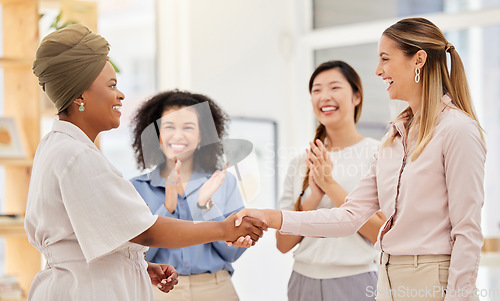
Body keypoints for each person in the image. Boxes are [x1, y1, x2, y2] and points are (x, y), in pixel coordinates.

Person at [235, 17, 486, 301]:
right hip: (388, 277)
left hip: (431, 277)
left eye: (385, 59)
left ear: (418, 60)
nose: (378, 71)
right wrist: (271, 217)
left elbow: (467, 232)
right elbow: (349, 216)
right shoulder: (392, 139)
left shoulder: (457, 130)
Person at [25, 24, 265, 301]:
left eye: (189, 127)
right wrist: (223, 227)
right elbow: (146, 232)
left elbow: (87, 241)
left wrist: (139, 265)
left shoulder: (62, 147)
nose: (121, 95)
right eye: (112, 85)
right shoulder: (76, 155)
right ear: (80, 96)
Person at [276, 60, 386, 300]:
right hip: (302, 281)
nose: (324, 96)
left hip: (357, 281)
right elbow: (283, 244)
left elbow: (383, 235)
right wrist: (313, 197)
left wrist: (330, 186)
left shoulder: (379, 154)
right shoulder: (300, 162)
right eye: (316, 90)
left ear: (356, 97)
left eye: (335, 87)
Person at [129, 90, 249, 301]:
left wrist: (205, 206)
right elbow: (136, 256)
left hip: (216, 288)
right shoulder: (136, 188)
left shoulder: (223, 182)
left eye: (188, 127)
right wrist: (168, 205)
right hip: (160, 291)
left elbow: (233, 252)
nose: (178, 135)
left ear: (201, 136)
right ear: (158, 135)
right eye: (169, 127)